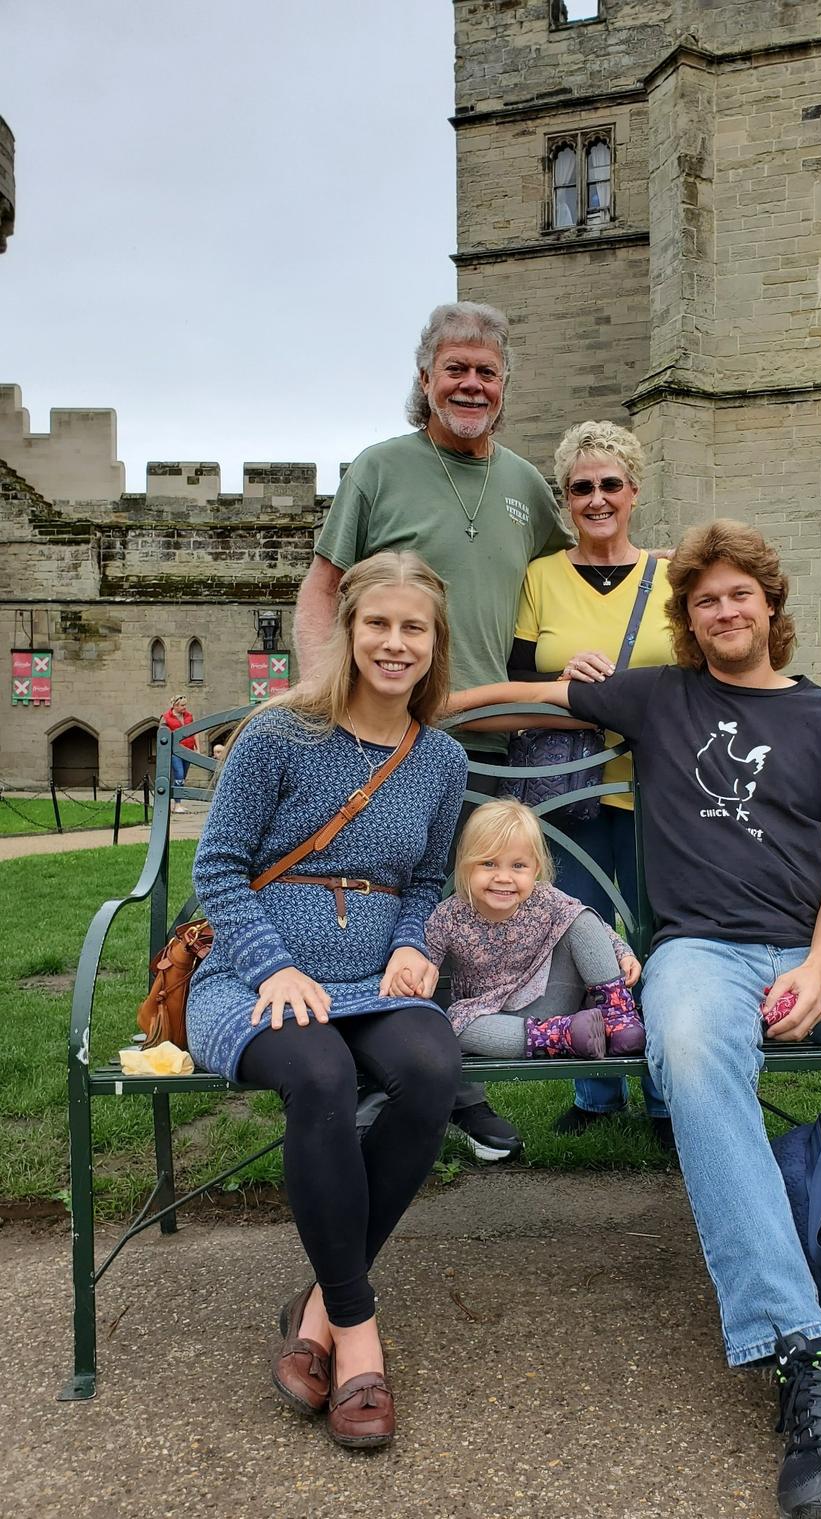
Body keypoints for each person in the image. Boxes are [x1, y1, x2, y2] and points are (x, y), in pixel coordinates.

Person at [446, 519, 821, 1519]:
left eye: (738, 594)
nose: (723, 610)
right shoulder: (661, 696)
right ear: (689, 617)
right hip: (701, 956)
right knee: (684, 1044)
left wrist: (820, 968)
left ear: (770, 604)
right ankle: (802, 1346)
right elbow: (528, 698)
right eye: (704, 599)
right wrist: (416, 703)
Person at [185, 551, 467, 1449]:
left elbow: (427, 880)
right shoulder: (281, 734)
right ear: (348, 630)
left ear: (435, 643)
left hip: (373, 981)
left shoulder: (441, 758)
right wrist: (272, 966)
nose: (394, 642)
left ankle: (314, 1308)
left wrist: (415, 944)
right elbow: (217, 868)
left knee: (432, 1069)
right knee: (320, 1075)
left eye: (413, 627)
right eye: (377, 622)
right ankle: (357, 1331)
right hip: (251, 974)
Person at [295, 300, 574, 1164]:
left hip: (501, 745)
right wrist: (322, 698)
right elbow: (322, 590)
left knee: (470, 912)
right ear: (426, 379)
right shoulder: (380, 468)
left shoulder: (528, 487)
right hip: (396, 738)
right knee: (397, 903)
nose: (471, 384)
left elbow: (569, 582)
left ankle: (430, 1077)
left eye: (487, 371)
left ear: (505, 386)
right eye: (455, 368)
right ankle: (431, 1086)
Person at [507, 420, 673, 1142]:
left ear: (634, 491)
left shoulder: (671, 576)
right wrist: (561, 678)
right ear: (566, 499)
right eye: (581, 488)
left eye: (610, 484)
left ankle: (665, 1090)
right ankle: (596, 1087)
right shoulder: (542, 577)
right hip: (565, 786)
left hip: (658, 786)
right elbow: (518, 673)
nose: (597, 498)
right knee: (577, 932)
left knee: (660, 934)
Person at [426, 798, 644, 1061]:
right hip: (492, 1017)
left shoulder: (544, 898)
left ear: (535, 869)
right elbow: (424, 959)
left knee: (580, 917)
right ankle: (565, 1037)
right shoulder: (449, 915)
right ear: (465, 865)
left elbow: (594, 928)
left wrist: (622, 952)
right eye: (488, 863)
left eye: (518, 866)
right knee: (455, 1025)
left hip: (551, 997)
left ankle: (618, 1016)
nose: (503, 877)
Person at [160, 695, 198, 813]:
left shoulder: (189, 716)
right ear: (175, 706)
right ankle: (177, 804)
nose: (185, 707)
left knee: (183, 776)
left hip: (188, 750)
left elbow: (195, 732)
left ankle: (178, 803)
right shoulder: (166, 717)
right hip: (176, 751)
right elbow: (163, 734)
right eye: (182, 705)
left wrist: (197, 747)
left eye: (185, 705)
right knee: (179, 775)